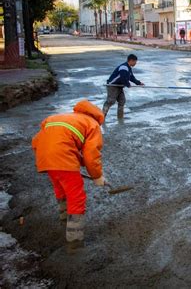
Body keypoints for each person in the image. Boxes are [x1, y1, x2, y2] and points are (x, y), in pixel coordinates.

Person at [31, 100, 106, 252]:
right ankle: (74, 240)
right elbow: (91, 155)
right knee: (76, 196)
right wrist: (97, 176)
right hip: (62, 158)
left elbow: (36, 141)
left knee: (60, 188)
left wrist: (51, 160)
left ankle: (64, 218)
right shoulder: (93, 124)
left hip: (44, 157)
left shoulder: (57, 118)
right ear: (98, 117)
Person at [102, 54, 144, 119]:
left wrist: (138, 83)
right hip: (113, 85)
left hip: (119, 86)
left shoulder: (128, 68)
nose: (135, 63)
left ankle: (120, 118)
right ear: (131, 60)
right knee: (110, 101)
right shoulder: (124, 67)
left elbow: (131, 77)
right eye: (135, 62)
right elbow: (123, 78)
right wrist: (127, 84)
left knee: (122, 101)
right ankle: (101, 117)